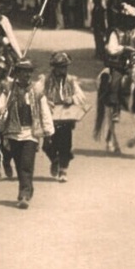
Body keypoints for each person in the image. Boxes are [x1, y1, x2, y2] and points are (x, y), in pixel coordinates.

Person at [0, 59, 54, 209]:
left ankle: (24, 194)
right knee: (19, 163)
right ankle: (26, 187)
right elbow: (0, 108)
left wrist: (48, 131)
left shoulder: (36, 91)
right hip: (13, 133)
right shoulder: (8, 90)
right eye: (22, 71)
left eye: (28, 72)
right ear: (17, 73)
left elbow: (44, 111)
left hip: (30, 133)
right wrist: (1, 114)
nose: (26, 75)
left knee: (26, 164)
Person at [42, 52, 87, 182]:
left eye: (65, 67)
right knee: (47, 145)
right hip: (49, 116)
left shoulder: (71, 80)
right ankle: (54, 160)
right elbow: (36, 94)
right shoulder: (45, 80)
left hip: (66, 116)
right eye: (60, 67)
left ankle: (63, 169)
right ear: (54, 67)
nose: (63, 70)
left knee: (65, 144)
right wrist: (46, 101)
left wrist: (72, 98)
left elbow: (81, 96)